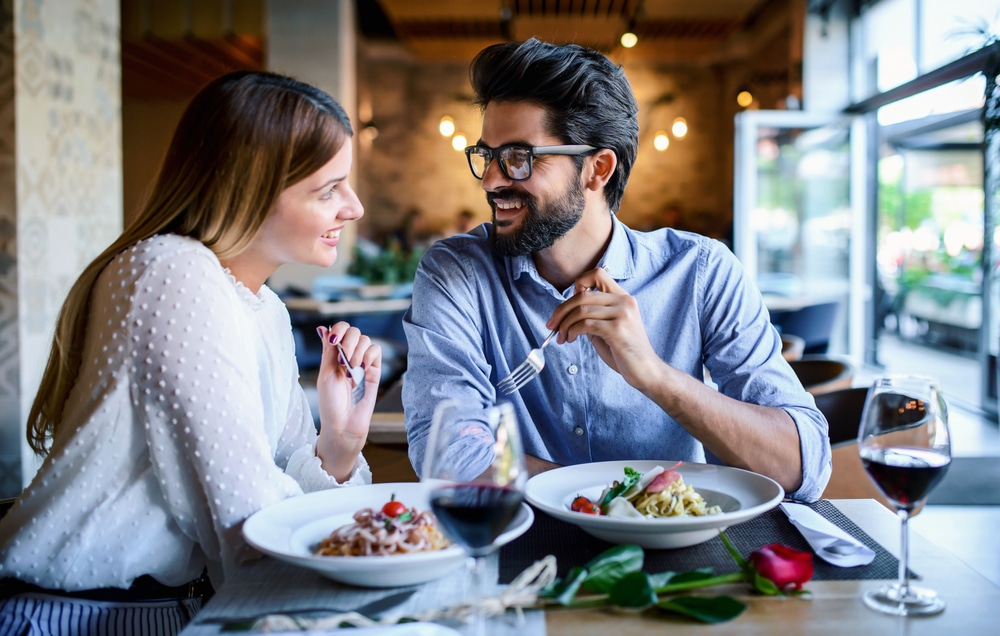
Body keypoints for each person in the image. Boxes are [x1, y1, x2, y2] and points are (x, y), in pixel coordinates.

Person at [0, 70, 381, 634]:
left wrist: (339, 443)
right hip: (76, 616)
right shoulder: (171, 274)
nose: (354, 209)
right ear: (249, 189)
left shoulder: (265, 308)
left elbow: (277, 497)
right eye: (328, 189)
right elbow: (248, 520)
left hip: (173, 612)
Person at [402, 38, 831, 502]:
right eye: (488, 155)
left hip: (673, 559)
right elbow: (445, 454)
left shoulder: (702, 271)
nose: (490, 180)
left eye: (519, 158)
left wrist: (653, 374)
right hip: (518, 549)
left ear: (597, 169)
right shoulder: (456, 273)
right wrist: (608, 501)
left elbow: (801, 470)